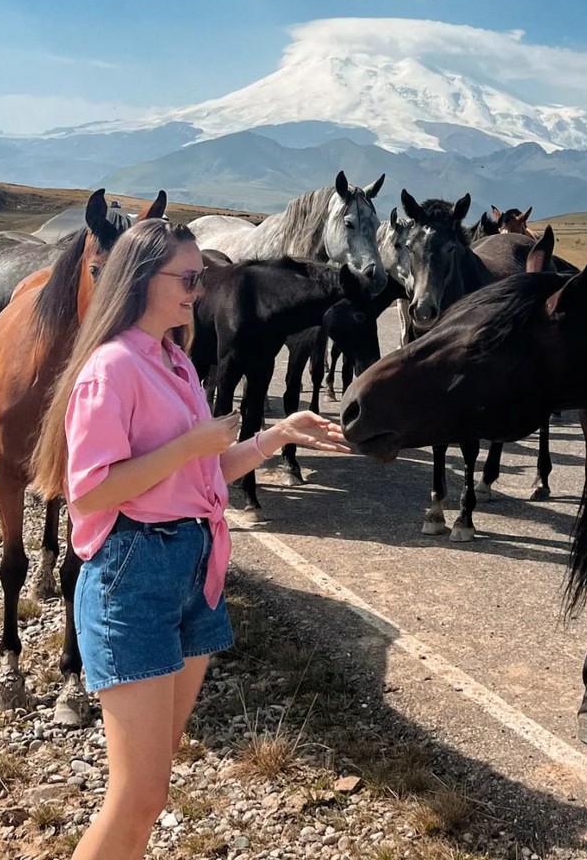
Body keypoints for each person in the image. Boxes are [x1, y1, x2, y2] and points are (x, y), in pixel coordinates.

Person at [31, 219, 349, 860]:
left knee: (153, 785)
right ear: (141, 279)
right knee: (137, 795)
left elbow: (201, 474)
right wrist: (191, 444)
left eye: (200, 277)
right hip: (134, 574)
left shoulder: (172, 358)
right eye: (188, 277)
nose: (199, 291)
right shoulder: (111, 369)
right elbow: (87, 493)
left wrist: (276, 436)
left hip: (192, 569)